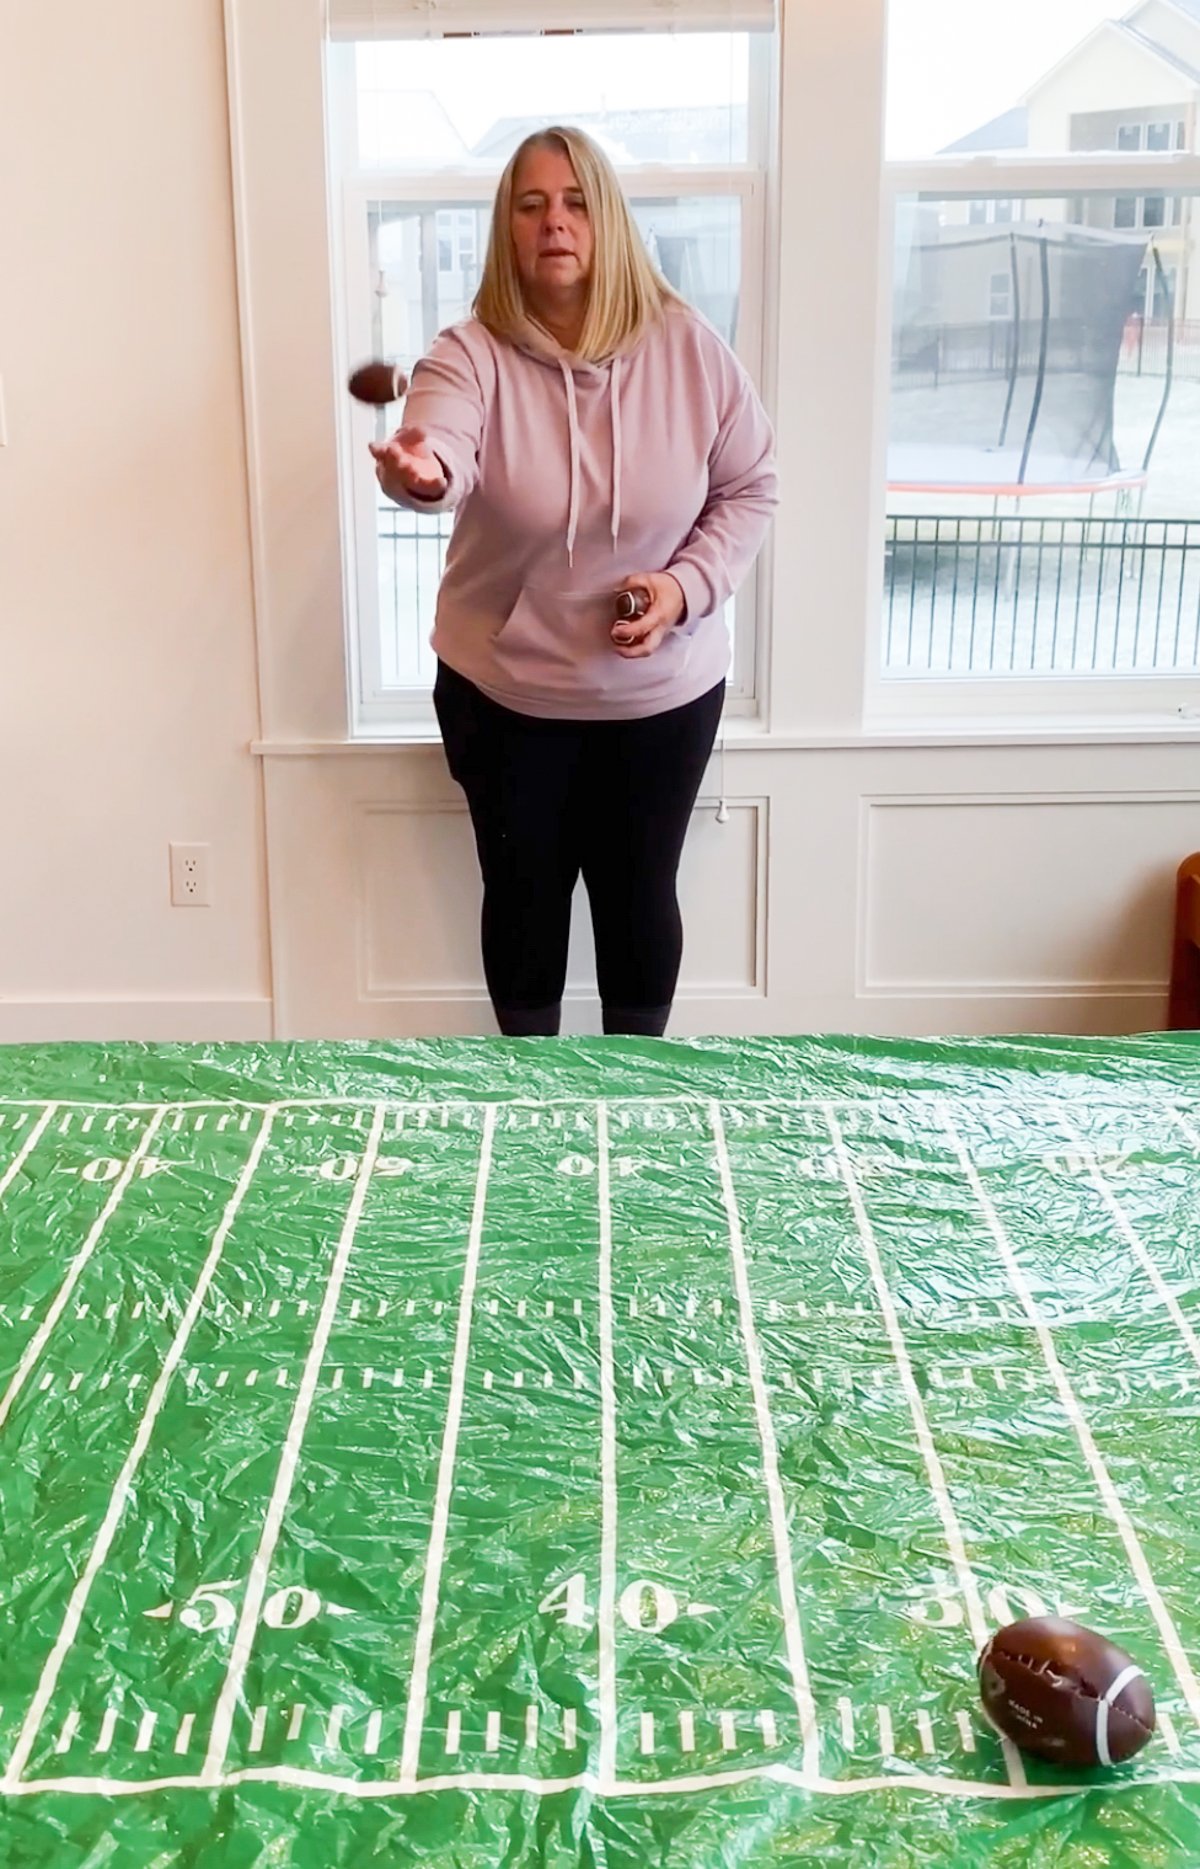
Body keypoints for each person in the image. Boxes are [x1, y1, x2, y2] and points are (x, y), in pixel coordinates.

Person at [371, 125, 777, 1039]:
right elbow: (441, 440)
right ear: (508, 231)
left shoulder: (691, 350)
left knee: (640, 902)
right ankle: (527, 1122)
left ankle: (636, 1113)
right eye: (531, 204)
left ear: (609, 222)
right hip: (504, 699)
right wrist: (421, 472)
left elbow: (752, 486)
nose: (555, 221)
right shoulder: (467, 353)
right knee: (522, 905)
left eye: (576, 201)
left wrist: (684, 588)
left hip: (661, 700)